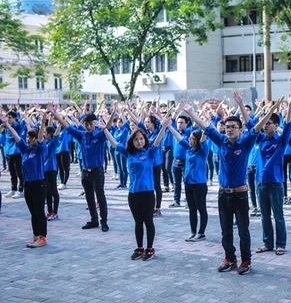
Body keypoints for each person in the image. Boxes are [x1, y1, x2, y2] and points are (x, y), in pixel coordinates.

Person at [180, 92, 280, 275]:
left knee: (243, 231)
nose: (229, 130)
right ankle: (230, 259)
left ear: (240, 130)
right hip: (223, 194)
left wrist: (265, 109)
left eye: (233, 127)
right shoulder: (222, 141)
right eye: (227, 127)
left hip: (240, 194)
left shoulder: (246, 142)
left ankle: (246, 260)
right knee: (225, 230)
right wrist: (191, 112)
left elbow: (257, 126)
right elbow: (206, 126)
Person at [103, 114, 168, 260]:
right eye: (136, 139)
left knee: (148, 221)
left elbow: (157, 142)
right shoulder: (129, 153)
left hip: (148, 193)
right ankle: (139, 248)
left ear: (145, 140)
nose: (139, 141)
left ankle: (150, 249)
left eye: (141, 139)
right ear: (132, 141)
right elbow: (114, 144)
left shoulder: (150, 152)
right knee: (138, 222)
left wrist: (163, 126)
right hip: (133, 193)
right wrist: (105, 130)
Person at [48, 104, 115, 232]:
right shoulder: (82, 135)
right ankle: (94, 220)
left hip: (97, 172)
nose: (88, 126)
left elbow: (109, 127)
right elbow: (67, 126)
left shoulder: (100, 135)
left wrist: (112, 113)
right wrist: (55, 113)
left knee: (100, 197)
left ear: (94, 123)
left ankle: (104, 221)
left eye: (90, 124)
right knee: (89, 197)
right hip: (85, 172)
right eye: (86, 124)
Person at [0, 111, 47, 247]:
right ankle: (35, 235)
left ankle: (43, 237)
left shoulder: (39, 150)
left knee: (39, 211)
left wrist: (43, 123)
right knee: (33, 212)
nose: (28, 139)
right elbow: (16, 137)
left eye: (31, 137)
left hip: (39, 184)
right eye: (28, 137)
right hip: (28, 185)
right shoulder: (25, 150)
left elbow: (40, 139)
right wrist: (6, 124)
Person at [254, 93, 291, 256]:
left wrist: (289, 105)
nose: (265, 126)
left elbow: (289, 123)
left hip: (276, 183)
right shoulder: (260, 138)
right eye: (265, 123)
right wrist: (268, 109)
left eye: (269, 123)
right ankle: (267, 243)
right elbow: (252, 124)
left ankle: (280, 243)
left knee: (278, 216)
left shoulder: (281, 140)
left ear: (276, 125)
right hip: (260, 183)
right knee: (264, 216)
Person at [168, 123, 209, 242]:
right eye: (190, 138)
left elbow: (204, 137)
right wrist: (169, 126)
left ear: (197, 140)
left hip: (199, 184)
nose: (190, 140)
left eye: (192, 139)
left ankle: (201, 233)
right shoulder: (188, 149)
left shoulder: (202, 151)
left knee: (201, 208)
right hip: (188, 183)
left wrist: (205, 122)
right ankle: (193, 231)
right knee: (192, 208)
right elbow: (177, 136)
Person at [3, 110, 26, 199]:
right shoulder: (6, 127)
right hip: (8, 151)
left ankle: (21, 190)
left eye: (10, 118)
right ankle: (13, 189)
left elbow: (23, 122)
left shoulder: (18, 126)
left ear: (15, 118)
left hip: (16, 151)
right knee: (12, 172)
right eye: (7, 117)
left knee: (19, 172)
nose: (8, 119)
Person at [44, 124, 62, 221]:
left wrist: (60, 122)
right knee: (47, 192)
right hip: (44, 170)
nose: (44, 134)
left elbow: (56, 135)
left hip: (51, 169)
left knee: (53, 191)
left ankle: (55, 212)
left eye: (45, 132)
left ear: (49, 134)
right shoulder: (44, 143)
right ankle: (50, 211)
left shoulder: (53, 142)